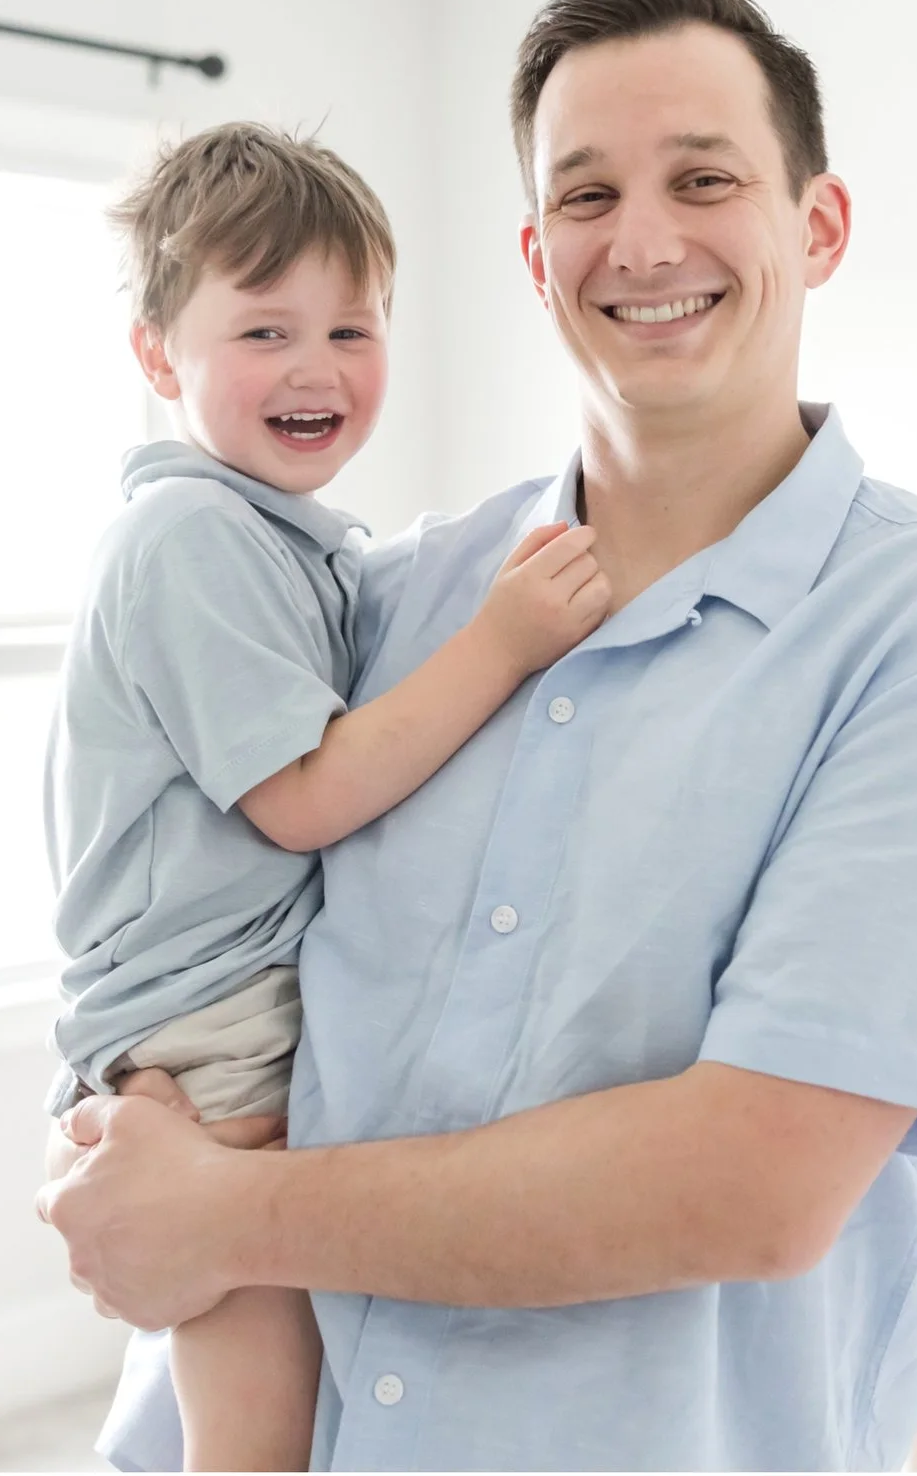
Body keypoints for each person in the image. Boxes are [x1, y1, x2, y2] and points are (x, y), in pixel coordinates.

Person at [39, 0, 917, 1471]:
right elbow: (176, 907)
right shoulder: (390, 602)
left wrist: (215, 1216)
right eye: (587, 195)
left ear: (818, 225)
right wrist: (110, 1131)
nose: (644, 240)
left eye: (706, 177)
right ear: (538, 256)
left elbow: (750, 1187)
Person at [43, 122, 611, 1470]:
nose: (315, 370)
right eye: (265, 334)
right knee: (253, 1394)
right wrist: (502, 642)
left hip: (226, 997)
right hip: (212, 1015)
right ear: (154, 353)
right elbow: (300, 796)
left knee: (282, 1342)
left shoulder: (285, 543)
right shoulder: (191, 539)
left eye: (352, 333)